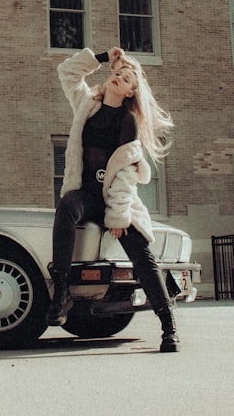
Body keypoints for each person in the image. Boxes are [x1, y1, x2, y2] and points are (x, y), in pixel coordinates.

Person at [48, 46, 179, 353]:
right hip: (86, 196)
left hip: (115, 199)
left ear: (132, 91)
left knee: (140, 251)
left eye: (126, 78)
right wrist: (103, 57)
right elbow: (67, 72)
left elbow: (125, 174)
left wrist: (118, 217)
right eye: (117, 74)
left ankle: (168, 325)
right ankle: (61, 293)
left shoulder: (127, 122)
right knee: (66, 206)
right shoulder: (86, 105)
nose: (119, 78)